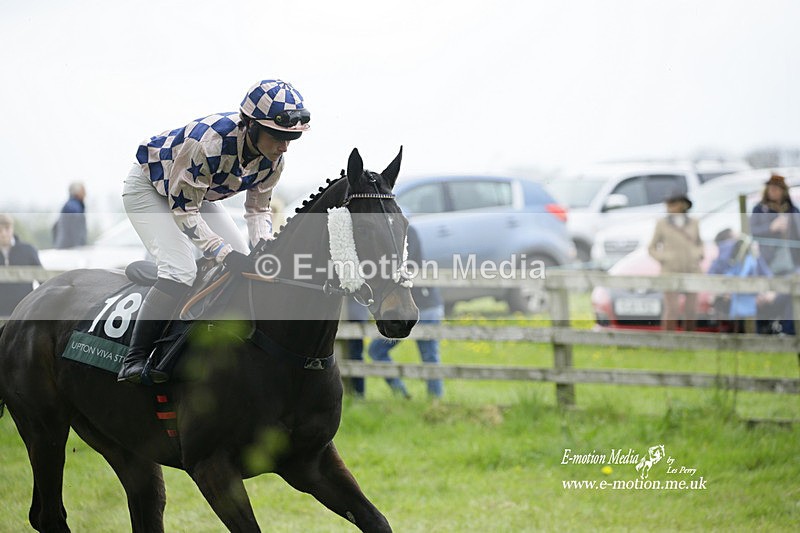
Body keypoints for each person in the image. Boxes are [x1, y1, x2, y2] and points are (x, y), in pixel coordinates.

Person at [117, 79, 311, 384]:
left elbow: (258, 210)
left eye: (290, 138)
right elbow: (184, 211)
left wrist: (263, 248)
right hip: (149, 189)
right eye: (277, 135)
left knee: (245, 260)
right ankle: (134, 358)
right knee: (180, 270)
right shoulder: (208, 144)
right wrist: (221, 252)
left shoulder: (275, 161)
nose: (284, 145)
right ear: (250, 126)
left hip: (197, 195)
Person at [367, 225, 444, 399]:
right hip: (408, 306)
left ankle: (435, 400)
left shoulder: (408, 234)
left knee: (429, 355)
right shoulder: (388, 236)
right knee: (377, 350)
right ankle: (402, 394)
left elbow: (403, 266)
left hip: (424, 305)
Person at [648, 191, 703, 332]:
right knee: (672, 309)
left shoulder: (694, 222)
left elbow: (699, 243)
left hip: (691, 270)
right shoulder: (662, 224)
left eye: (673, 204)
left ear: (682, 205)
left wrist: (698, 254)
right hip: (670, 271)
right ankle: (668, 339)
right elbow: (652, 247)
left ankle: (689, 338)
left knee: (691, 310)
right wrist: (665, 258)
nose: (669, 207)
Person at [750, 173, 800, 276]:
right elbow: (752, 232)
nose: (773, 191)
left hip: (792, 258)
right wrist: (771, 228)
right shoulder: (759, 209)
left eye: (776, 188)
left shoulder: (792, 210)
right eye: (771, 188)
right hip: (769, 259)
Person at [0, 214, 42, 316]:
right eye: (0, 230)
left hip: (24, 314)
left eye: (7, 228)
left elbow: (43, 280)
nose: (3, 233)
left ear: (12, 228)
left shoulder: (28, 251)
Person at [52, 181, 87, 248]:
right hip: (69, 249)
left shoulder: (71, 205)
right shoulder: (73, 207)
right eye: (83, 190)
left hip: (65, 246)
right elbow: (76, 232)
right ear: (77, 192)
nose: (85, 193)